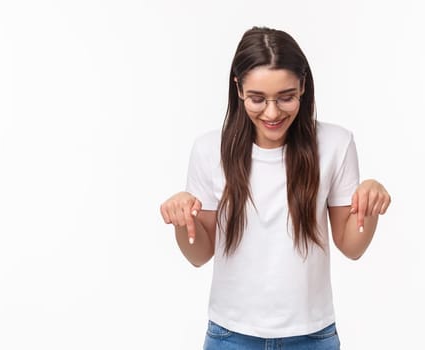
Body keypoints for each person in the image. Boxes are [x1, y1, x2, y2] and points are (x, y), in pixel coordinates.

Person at [159, 26, 391, 350]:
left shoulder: (335, 144)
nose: (272, 112)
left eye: (286, 97)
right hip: (231, 336)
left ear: (304, 87)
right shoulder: (209, 150)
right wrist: (184, 221)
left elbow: (351, 246)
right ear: (238, 89)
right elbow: (199, 254)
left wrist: (370, 201)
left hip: (312, 335)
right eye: (258, 98)